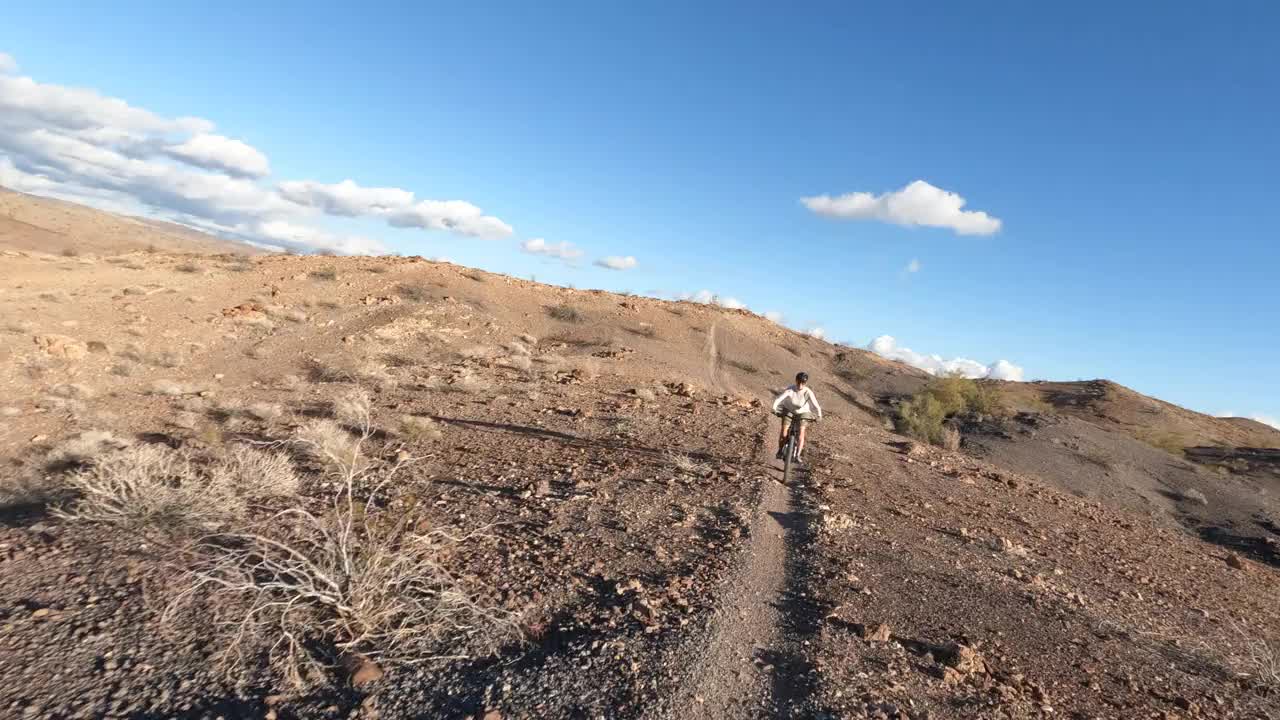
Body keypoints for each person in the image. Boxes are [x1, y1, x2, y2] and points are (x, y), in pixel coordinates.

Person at [772, 372, 822, 462]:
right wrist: (774, 408)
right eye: (799, 382)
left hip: (803, 412)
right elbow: (779, 399)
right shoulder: (790, 390)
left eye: (803, 383)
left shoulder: (808, 392)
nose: (800, 385)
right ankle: (780, 450)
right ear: (796, 381)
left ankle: (798, 455)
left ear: (805, 383)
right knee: (784, 432)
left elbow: (816, 405)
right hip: (789, 410)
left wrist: (819, 415)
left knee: (801, 432)